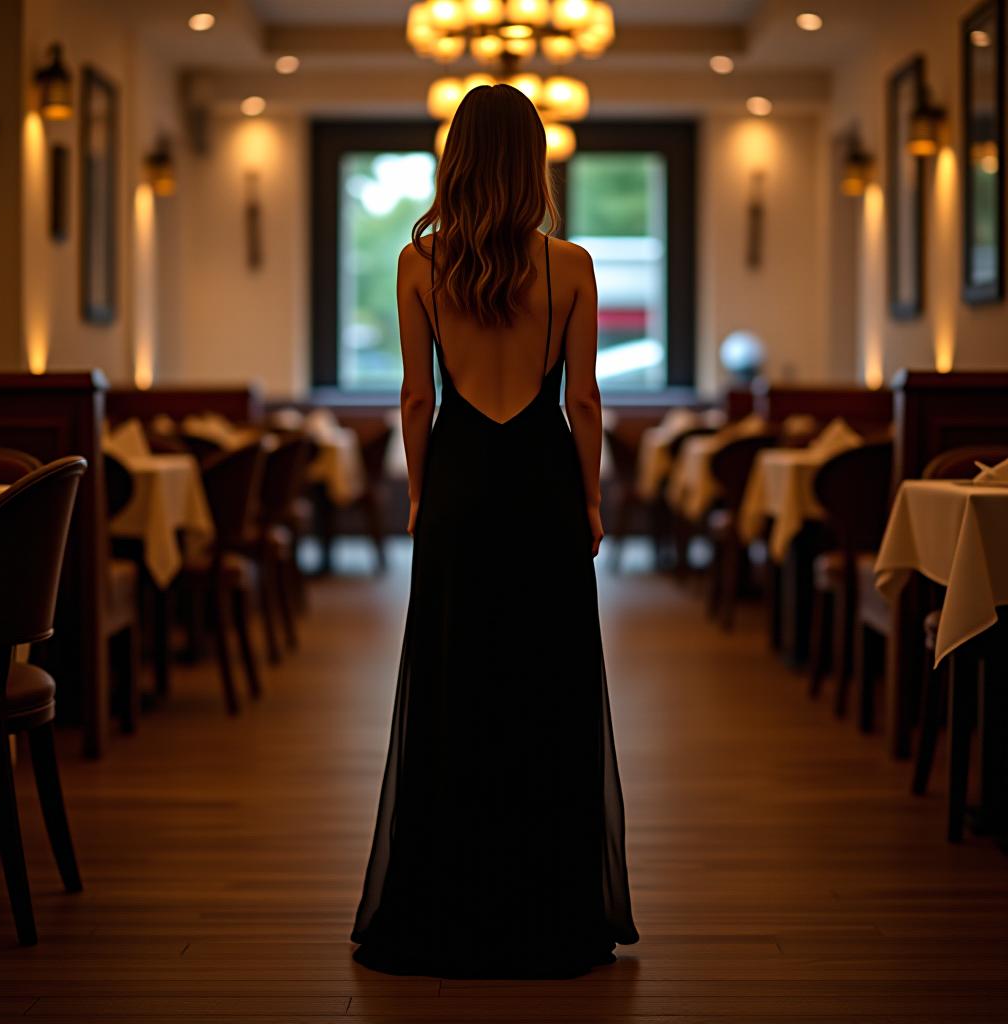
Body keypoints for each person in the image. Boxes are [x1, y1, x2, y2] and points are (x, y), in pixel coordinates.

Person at [351, 83, 638, 979]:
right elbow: (584, 399)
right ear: (534, 160)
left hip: (461, 487)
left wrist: (418, 498)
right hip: (544, 483)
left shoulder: (418, 265)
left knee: (454, 682)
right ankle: (547, 907)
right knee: (546, 683)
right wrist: (590, 503)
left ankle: (448, 902)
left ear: (459, 158)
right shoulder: (573, 265)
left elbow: (416, 397)